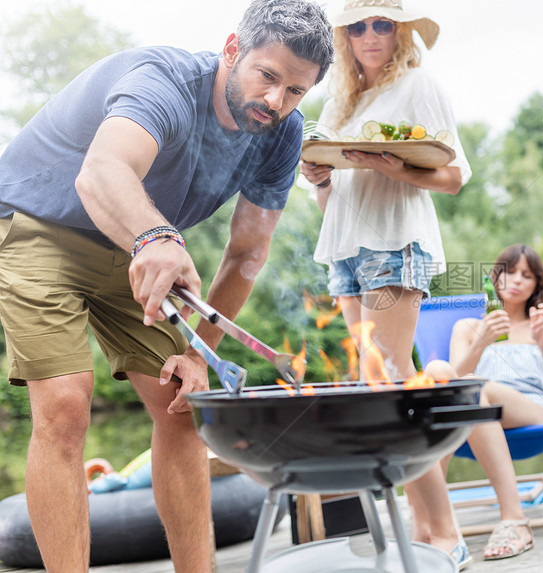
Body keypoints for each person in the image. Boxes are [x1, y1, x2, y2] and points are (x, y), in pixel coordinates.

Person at [0, 1, 333, 571]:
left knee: (182, 405)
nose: (275, 101)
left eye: (295, 91)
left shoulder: (282, 136)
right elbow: (102, 171)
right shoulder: (166, 83)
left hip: (142, 248)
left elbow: (249, 252)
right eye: (268, 76)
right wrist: (156, 236)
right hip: (41, 225)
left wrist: (200, 353)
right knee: (64, 404)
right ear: (233, 49)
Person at [300, 0, 472, 567]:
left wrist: (395, 168)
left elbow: (453, 177)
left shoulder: (420, 85)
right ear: (346, 36)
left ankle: (446, 534)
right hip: (344, 246)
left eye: (382, 24)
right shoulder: (339, 98)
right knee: (379, 390)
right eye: (359, 26)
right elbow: (328, 185)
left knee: (394, 387)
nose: (370, 34)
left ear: (399, 32)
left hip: (396, 241)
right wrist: (317, 174)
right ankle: (421, 531)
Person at [434, 243, 543, 560]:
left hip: (538, 409)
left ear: (538, 284)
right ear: (495, 277)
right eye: (509, 271)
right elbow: (452, 385)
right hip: (480, 412)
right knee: (464, 390)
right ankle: (439, 519)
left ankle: (513, 518)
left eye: (527, 275)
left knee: (474, 389)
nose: (517, 280)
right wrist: (482, 340)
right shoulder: (468, 328)